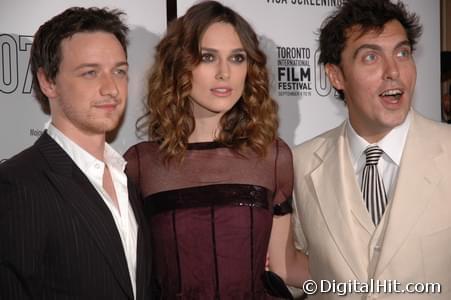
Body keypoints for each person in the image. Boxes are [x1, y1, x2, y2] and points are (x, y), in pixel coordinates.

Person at [124, 1, 308, 299]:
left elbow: (285, 266)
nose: (225, 73)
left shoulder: (272, 157)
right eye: (208, 57)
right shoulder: (141, 164)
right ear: (180, 65)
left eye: (237, 58)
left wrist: (369, 283)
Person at [292, 0, 451, 299]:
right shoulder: (300, 165)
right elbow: (298, 270)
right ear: (336, 76)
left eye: (402, 53)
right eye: (370, 57)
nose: (393, 71)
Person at [0, 7, 151, 300]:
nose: (112, 89)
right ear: (48, 82)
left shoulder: (128, 178)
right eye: (90, 72)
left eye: (119, 71)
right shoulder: (16, 186)